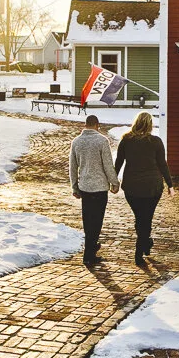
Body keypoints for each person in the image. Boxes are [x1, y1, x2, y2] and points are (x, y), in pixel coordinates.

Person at [114, 111, 174, 267]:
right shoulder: (156, 142)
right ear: (150, 125)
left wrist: (113, 181)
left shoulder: (126, 140)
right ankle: (140, 249)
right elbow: (163, 164)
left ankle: (144, 244)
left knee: (141, 217)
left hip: (132, 187)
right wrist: (170, 185)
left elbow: (119, 162)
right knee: (146, 218)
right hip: (152, 187)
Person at [69, 114, 120, 266]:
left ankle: (90, 250)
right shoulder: (102, 141)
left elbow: (73, 167)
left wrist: (74, 186)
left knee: (87, 219)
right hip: (99, 188)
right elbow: (107, 165)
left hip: (85, 187)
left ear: (85, 125)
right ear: (97, 125)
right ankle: (89, 253)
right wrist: (114, 182)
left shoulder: (76, 142)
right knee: (97, 221)